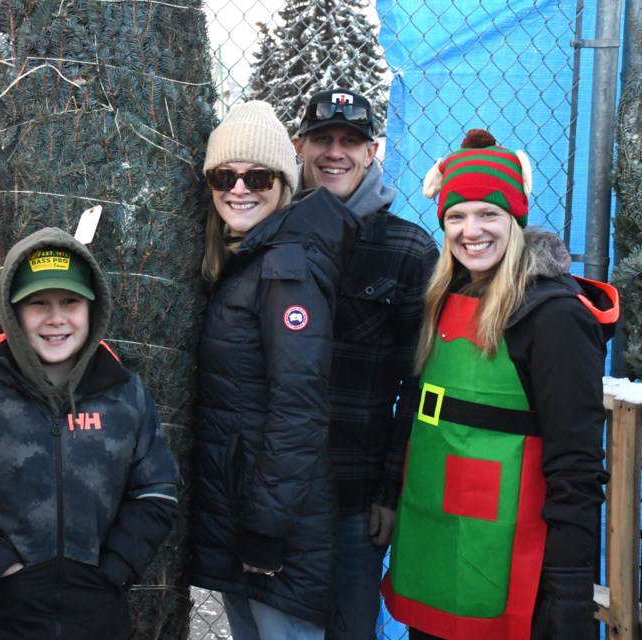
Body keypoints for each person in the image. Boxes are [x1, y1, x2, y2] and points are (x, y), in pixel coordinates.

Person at [381, 129, 618, 639]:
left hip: (514, 569)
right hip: (435, 548)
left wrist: (567, 591)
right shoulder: (443, 297)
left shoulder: (552, 316)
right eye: (456, 216)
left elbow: (577, 464)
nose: (471, 231)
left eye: (489, 214)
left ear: (516, 218)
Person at [0, 227, 180, 640]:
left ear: (92, 308)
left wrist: (114, 569)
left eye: (70, 302)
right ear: (13, 313)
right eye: (37, 304)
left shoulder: (124, 394)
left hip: (96, 617)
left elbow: (157, 490)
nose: (56, 318)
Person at [189, 100, 361, 638]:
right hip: (245, 510)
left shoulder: (285, 269)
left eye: (257, 176)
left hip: (277, 527)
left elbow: (298, 407)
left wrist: (266, 528)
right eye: (224, 176)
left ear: (283, 184)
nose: (239, 189)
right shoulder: (250, 260)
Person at [291, 88, 440, 639]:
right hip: (273, 490)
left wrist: (389, 490)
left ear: (373, 150)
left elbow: (419, 386)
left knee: (350, 628)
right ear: (298, 146)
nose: (336, 153)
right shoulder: (270, 235)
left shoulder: (409, 250)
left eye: (350, 141)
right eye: (323, 139)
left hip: (356, 496)